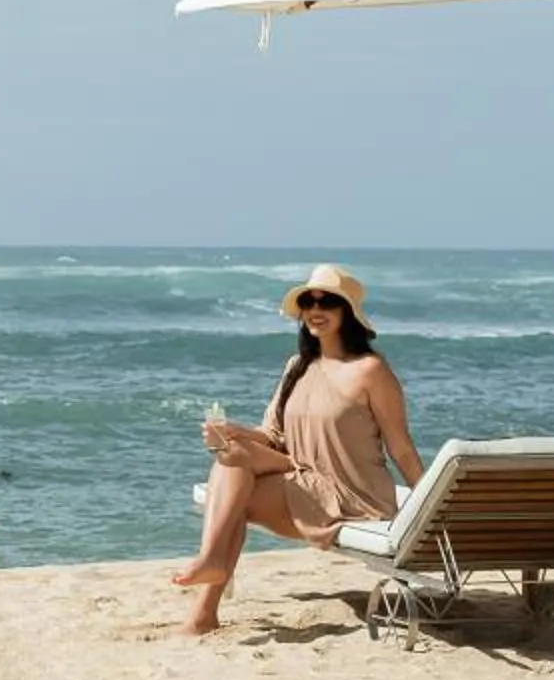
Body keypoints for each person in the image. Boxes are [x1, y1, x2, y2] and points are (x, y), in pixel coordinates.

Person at [174, 262, 425, 636]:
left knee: (232, 493)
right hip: (302, 478)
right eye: (309, 301)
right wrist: (232, 431)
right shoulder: (299, 366)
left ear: (348, 314)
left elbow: (400, 447)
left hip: (351, 495)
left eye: (327, 303)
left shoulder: (371, 370)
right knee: (231, 455)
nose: (315, 310)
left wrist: (426, 505)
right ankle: (207, 588)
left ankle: (206, 597)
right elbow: (271, 434)